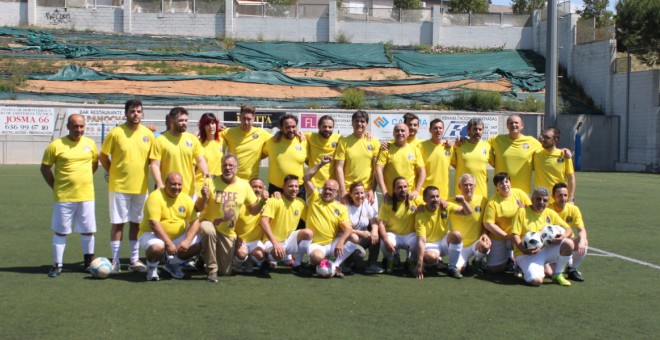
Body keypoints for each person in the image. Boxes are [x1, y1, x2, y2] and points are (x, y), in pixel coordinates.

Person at [99, 99, 154, 274]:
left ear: (142, 113)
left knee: (136, 224)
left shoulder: (148, 134)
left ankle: (134, 260)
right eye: (132, 111)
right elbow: (103, 156)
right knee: (118, 223)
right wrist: (111, 171)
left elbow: (153, 160)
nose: (135, 114)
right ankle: (115, 261)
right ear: (126, 113)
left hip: (140, 187)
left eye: (138, 111)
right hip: (119, 187)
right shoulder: (116, 133)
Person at [41, 114, 98, 277]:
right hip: (64, 197)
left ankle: (88, 263)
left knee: (88, 231)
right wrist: (55, 186)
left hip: (86, 196)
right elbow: (45, 168)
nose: (79, 130)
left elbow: (94, 165)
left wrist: (82, 180)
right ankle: (57, 265)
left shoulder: (90, 144)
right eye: (75, 126)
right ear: (68, 127)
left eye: (81, 126)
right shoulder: (56, 145)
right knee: (61, 231)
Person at [197, 154, 267, 283]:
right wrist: (204, 198)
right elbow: (198, 208)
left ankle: (203, 256)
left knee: (225, 272)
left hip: (227, 232)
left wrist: (262, 201)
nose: (227, 168)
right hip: (208, 223)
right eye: (224, 165)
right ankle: (211, 270)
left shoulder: (244, 185)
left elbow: (252, 210)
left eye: (231, 165)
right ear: (221, 167)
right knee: (209, 231)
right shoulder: (210, 182)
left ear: (237, 168)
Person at [137, 172, 203, 281]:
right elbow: (154, 224)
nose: (176, 187)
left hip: (176, 237)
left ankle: (173, 264)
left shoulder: (185, 198)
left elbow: (195, 222)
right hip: (152, 234)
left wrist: (187, 241)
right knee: (158, 247)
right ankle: (152, 266)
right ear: (165, 183)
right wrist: (168, 244)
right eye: (173, 184)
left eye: (179, 184)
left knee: (201, 242)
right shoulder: (155, 197)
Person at [304, 155, 360, 279]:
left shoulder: (341, 208)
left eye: (331, 189)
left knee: (354, 238)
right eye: (326, 188)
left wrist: (340, 242)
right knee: (316, 257)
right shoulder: (314, 197)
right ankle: (321, 263)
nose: (327, 191)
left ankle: (335, 265)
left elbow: (348, 229)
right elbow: (306, 178)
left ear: (337, 192)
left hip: (333, 244)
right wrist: (321, 164)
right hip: (317, 244)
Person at [511, 187, 574, 287]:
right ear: (532, 200)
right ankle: (520, 267)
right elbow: (515, 235)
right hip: (526, 254)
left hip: (546, 249)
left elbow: (569, 229)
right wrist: (524, 250)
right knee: (536, 281)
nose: (541, 202)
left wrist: (562, 237)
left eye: (545, 200)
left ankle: (557, 274)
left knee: (568, 243)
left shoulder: (550, 213)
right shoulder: (522, 212)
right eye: (538, 199)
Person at [260, 174, 313, 277]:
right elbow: (263, 222)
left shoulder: (300, 203)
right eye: (290, 186)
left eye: (296, 186)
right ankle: (267, 261)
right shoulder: (275, 200)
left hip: (288, 240)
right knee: (279, 255)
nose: (294, 189)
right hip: (271, 241)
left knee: (308, 233)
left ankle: (297, 264)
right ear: (283, 187)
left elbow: (311, 220)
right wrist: (275, 243)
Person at [414, 185, 471, 279]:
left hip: (444, 241)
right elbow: (421, 240)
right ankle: (429, 262)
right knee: (432, 258)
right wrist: (419, 264)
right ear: (424, 199)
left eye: (437, 196)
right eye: (432, 197)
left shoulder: (445, 206)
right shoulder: (421, 214)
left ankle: (452, 267)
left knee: (457, 235)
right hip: (430, 244)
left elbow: (468, 212)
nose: (435, 199)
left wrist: (463, 202)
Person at [149, 107, 208, 197]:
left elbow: (200, 160)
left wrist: (205, 173)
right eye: (181, 120)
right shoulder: (160, 140)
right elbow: (155, 165)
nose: (184, 123)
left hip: (189, 191)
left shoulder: (192, 139)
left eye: (186, 120)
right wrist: (159, 184)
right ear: (172, 120)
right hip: (168, 191)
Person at [482, 172, 531, 274]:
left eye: (506, 181)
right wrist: (507, 236)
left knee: (521, 240)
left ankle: (520, 264)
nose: (504, 184)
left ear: (510, 182)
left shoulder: (519, 194)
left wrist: (524, 209)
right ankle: (509, 259)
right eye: (501, 183)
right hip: (500, 238)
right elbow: (488, 223)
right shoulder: (493, 202)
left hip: (517, 235)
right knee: (494, 270)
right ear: (496, 187)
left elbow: (532, 210)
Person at [378, 177, 425, 274]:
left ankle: (411, 260)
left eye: (405, 187)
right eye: (399, 187)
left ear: (408, 188)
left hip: (410, 235)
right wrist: (386, 240)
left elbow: (431, 200)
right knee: (383, 242)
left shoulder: (416, 200)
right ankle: (390, 260)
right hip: (393, 235)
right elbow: (381, 224)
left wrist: (442, 202)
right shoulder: (387, 202)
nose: (403, 189)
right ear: (394, 190)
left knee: (419, 242)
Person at [446, 174, 491, 275]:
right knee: (458, 270)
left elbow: (488, 221)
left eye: (471, 185)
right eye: (465, 185)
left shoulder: (483, 200)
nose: (468, 187)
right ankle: (462, 264)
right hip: (461, 246)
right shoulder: (450, 201)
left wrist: (486, 233)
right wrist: (440, 201)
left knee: (485, 246)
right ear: (459, 186)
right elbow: (437, 202)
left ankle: (477, 261)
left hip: (476, 242)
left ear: (475, 186)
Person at [335, 110, 380, 206]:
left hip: (367, 191)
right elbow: (339, 168)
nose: (359, 124)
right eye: (356, 121)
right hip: (348, 191)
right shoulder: (344, 142)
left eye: (362, 121)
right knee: (346, 221)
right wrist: (343, 191)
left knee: (371, 220)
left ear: (367, 124)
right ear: (352, 123)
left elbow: (376, 169)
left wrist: (372, 189)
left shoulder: (374, 142)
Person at [488, 114, 541, 194]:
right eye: (510, 123)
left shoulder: (532, 141)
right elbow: (481, 146)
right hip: (502, 190)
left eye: (516, 123)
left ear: (522, 126)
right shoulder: (497, 139)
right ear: (507, 126)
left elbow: (547, 152)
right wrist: (464, 141)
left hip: (523, 192)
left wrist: (563, 151)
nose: (513, 125)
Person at [376, 123, 425, 201]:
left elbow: (422, 171)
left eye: (403, 131)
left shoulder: (414, 149)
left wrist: (417, 190)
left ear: (408, 133)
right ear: (393, 133)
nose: (400, 133)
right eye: (397, 131)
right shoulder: (386, 149)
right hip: (391, 197)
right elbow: (378, 169)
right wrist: (384, 191)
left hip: (409, 197)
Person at [221, 104, 272, 180]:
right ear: (240, 118)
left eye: (249, 119)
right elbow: (212, 135)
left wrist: (258, 156)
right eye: (244, 118)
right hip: (233, 179)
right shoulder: (229, 132)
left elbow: (276, 140)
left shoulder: (261, 133)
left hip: (251, 180)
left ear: (254, 119)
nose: (246, 122)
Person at [262, 114, 308, 197]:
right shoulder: (272, 142)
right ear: (281, 128)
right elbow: (261, 155)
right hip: (276, 188)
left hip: (297, 188)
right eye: (287, 127)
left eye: (293, 127)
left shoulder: (303, 141)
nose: (291, 129)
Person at [551, 182, 588, 281]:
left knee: (583, 240)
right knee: (548, 273)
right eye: (559, 195)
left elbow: (581, 229)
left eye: (565, 195)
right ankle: (561, 265)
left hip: (568, 243)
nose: (563, 198)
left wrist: (581, 242)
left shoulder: (574, 209)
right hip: (551, 244)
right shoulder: (547, 208)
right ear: (553, 196)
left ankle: (572, 270)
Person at [345, 181, 383, 274]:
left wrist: (374, 230)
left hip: (360, 239)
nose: (360, 195)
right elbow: (345, 229)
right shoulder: (346, 207)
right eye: (356, 193)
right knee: (355, 238)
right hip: (347, 240)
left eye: (362, 193)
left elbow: (373, 221)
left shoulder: (366, 203)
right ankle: (346, 263)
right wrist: (360, 232)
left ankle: (371, 264)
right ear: (351, 194)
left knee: (376, 234)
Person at [233, 178, 268, 274]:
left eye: (260, 187)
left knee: (260, 255)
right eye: (254, 187)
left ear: (264, 189)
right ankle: (236, 265)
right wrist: (236, 238)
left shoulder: (267, 203)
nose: (257, 189)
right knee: (241, 254)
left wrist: (277, 193)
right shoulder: (240, 203)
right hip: (240, 240)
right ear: (249, 188)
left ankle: (250, 262)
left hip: (255, 241)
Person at [451, 118, 493, 198]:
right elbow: (453, 163)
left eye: (480, 129)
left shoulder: (487, 147)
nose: (477, 132)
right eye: (475, 129)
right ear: (469, 131)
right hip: (462, 192)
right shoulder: (459, 145)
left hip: (481, 192)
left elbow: (494, 164)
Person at [533, 127, 576, 202]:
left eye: (547, 137)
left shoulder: (564, 155)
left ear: (555, 140)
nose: (543, 139)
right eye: (542, 136)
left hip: (558, 200)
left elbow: (571, 179)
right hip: (541, 200)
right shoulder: (536, 153)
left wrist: (571, 199)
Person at [418, 118, 452, 198]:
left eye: (440, 128)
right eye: (435, 128)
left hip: (443, 193)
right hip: (425, 192)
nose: (438, 130)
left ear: (443, 130)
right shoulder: (421, 146)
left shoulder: (449, 147)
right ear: (430, 130)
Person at [305, 115, 341, 190]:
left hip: (332, 185)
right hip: (314, 184)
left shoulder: (339, 138)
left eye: (330, 127)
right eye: (324, 126)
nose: (327, 129)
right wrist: (278, 133)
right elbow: (294, 133)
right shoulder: (310, 136)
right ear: (318, 126)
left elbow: (354, 138)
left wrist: (366, 133)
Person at [195, 112, 225, 198]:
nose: (211, 126)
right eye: (207, 124)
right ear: (203, 127)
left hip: (218, 185)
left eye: (213, 123)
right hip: (201, 185)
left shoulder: (223, 141)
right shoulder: (197, 143)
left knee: (218, 211)